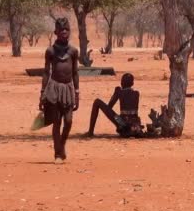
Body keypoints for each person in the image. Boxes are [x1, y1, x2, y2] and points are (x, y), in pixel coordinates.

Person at [39, 18, 79, 164]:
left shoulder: (73, 51)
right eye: (61, 30)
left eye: (66, 29)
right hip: (54, 88)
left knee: (68, 122)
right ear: (55, 32)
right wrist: (42, 93)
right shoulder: (50, 51)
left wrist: (77, 92)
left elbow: (75, 73)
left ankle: (61, 145)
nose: (64, 32)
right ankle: (58, 154)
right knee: (56, 122)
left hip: (68, 88)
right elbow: (46, 72)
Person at [86, 73, 143, 138]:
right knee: (125, 117)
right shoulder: (136, 93)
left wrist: (115, 93)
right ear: (132, 84)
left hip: (123, 125)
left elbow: (109, 106)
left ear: (121, 83)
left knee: (97, 102)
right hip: (135, 126)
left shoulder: (119, 92)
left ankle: (90, 132)